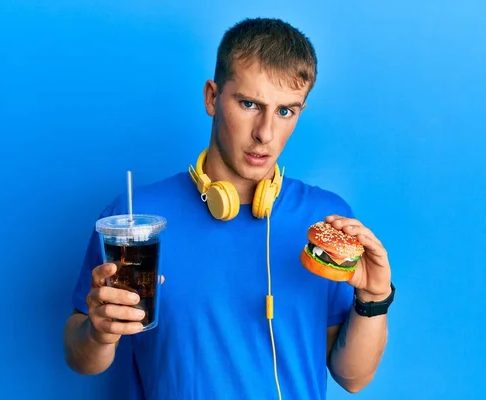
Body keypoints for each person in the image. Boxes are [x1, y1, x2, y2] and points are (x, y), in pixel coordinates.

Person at [63, 17, 394, 399]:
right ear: (212, 97)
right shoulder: (136, 217)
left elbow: (352, 378)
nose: (265, 133)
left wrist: (373, 298)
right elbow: (80, 358)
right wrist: (98, 332)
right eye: (250, 104)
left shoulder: (325, 221)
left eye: (286, 111)